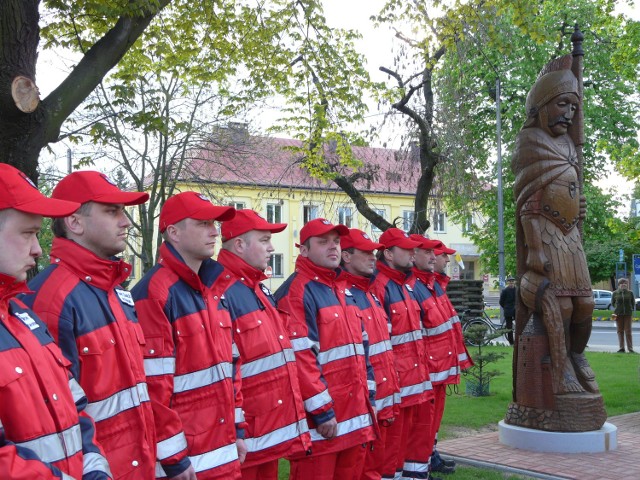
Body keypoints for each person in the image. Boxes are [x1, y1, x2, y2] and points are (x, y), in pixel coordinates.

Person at [22, 171, 156, 479]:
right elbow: (52, 421)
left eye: (123, 211)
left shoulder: (116, 292)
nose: (125, 221)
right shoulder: (51, 299)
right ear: (74, 222)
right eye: (112, 211)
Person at [0, 164, 111, 479]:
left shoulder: (22, 317)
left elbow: (76, 408)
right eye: (28, 233)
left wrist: (95, 470)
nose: (38, 249)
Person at [130, 191, 245, 480]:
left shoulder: (214, 288)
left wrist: (238, 429)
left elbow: (230, 365)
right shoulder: (153, 293)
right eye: (203, 224)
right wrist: (173, 458)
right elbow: (152, 386)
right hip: (187, 460)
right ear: (173, 232)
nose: (214, 231)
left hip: (222, 447)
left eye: (215, 224)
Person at [512, 64, 597, 396]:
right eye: (563, 104)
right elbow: (528, 200)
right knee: (560, 305)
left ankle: (576, 354)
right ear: (542, 104)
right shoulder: (529, 140)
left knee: (586, 304)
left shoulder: (571, 147)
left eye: (574, 107)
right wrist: (534, 247)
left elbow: (569, 189)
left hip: (571, 237)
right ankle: (557, 367)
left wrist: (579, 208)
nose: (570, 113)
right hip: (544, 234)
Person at [274, 218, 376, 480]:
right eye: (323, 242)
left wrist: (370, 398)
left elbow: (361, 349)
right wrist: (321, 411)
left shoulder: (342, 288)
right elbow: (301, 358)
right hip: (323, 423)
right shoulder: (297, 292)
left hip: (354, 413)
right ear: (304, 250)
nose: (333, 248)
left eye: (336, 242)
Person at [217, 209, 312, 479]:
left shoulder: (256, 287)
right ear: (239, 245)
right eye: (264, 240)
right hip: (245, 436)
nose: (271, 248)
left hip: (266, 430)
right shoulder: (223, 291)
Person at [370, 228, 433, 480]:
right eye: (406, 249)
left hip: (413, 381)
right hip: (395, 384)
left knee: (405, 446)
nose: (412, 253)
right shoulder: (379, 285)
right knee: (389, 451)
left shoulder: (404, 284)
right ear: (387, 253)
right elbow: (379, 342)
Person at [339, 228, 401, 480]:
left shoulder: (369, 292)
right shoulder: (345, 294)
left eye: (373, 252)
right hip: (360, 401)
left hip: (382, 395)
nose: (373, 258)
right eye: (365, 253)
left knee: (376, 467)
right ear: (346, 256)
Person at [409, 234, 458, 476]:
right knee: (421, 424)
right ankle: (425, 460)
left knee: (432, 422)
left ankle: (430, 456)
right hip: (427, 370)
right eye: (439, 255)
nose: (445, 259)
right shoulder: (416, 286)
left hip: (439, 367)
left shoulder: (433, 284)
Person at [612, 278, 635, 353]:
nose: (623, 285)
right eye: (621, 283)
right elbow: (613, 303)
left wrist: (630, 309)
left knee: (628, 331)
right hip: (618, 314)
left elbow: (633, 302)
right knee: (620, 331)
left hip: (628, 314)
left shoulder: (630, 293)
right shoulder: (615, 293)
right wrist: (617, 309)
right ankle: (621, 348)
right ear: (619, 285)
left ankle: (630, 348)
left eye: (625, 283)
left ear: (627, 284)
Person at [499, 277, 516, 345]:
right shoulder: (505, 291)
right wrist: (506, 307)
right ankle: (511, 342)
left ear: (514, 282)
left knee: (518, 326)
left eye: (512, 282)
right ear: (507, 283)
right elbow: (501, 302)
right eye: (510, 282)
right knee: (509, 328)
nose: (511, 283)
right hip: (508, 310)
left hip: (515, 310)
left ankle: (517, 341)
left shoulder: (517, 290)